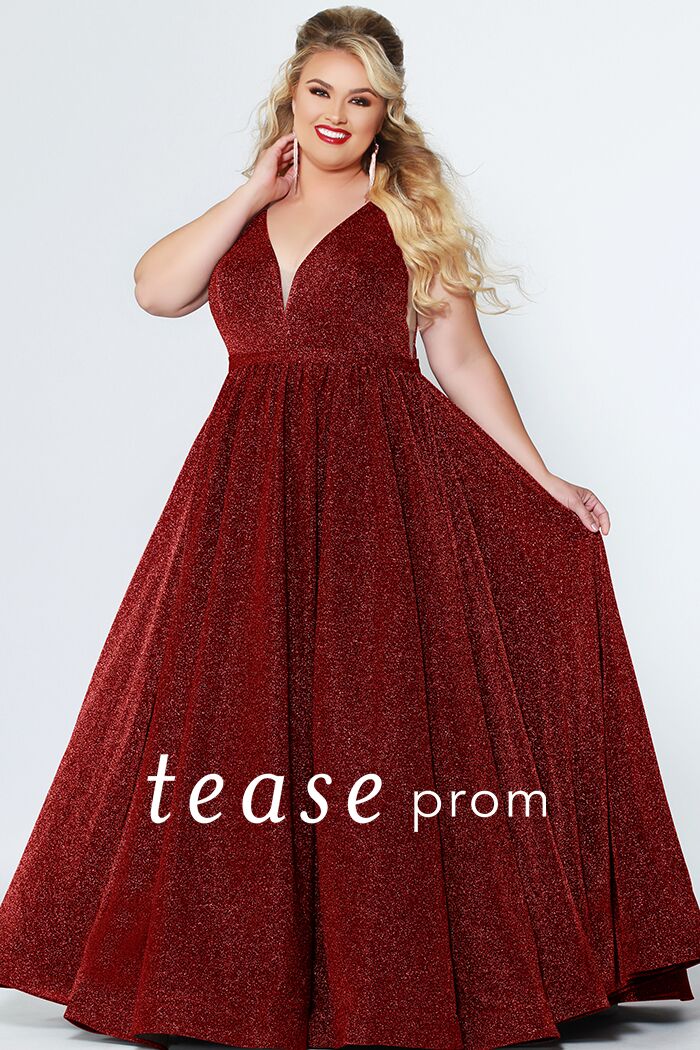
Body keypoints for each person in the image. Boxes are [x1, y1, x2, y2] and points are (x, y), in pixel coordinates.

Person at [1, 7, 699, 1050]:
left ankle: (388, 982)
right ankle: (226, 980)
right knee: (230, 709)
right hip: (243, 488)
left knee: (376, 717)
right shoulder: (246, 209)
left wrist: (542, 479)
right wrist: (252, 190)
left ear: (387, 113)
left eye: (360, 98)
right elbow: (156, 292)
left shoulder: (405, 213)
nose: (336, 113)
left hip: (380, 488)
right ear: (291, 95)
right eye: (320, 91)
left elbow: (460, 361)